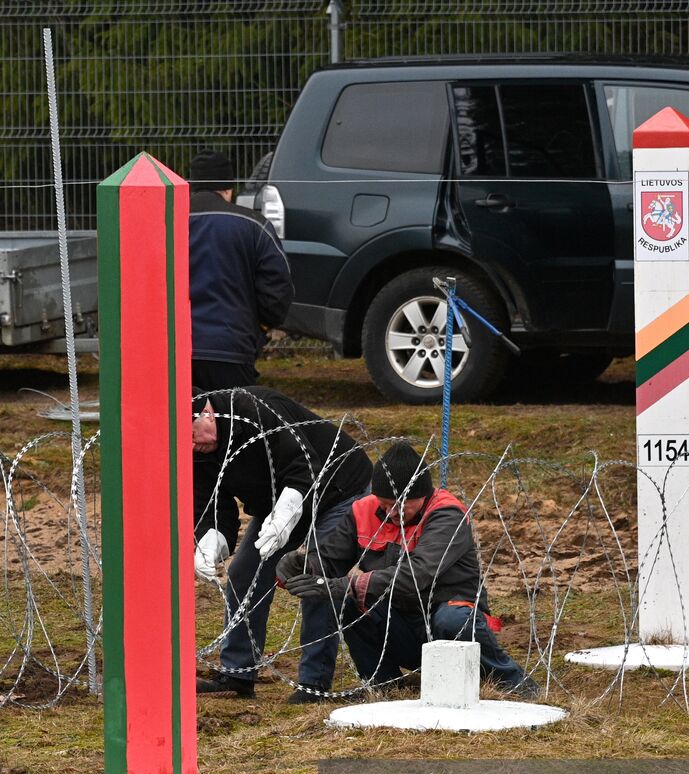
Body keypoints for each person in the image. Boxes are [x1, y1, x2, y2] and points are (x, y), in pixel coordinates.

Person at [278, 441, 537, 698]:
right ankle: (382, 686)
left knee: (451, 619)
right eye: (386, 503)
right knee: (346, 603)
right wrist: (305, 563)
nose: (394, 512)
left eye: (403, 504)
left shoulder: (447, 514)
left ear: (423, 495)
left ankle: (511, 681)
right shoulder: (363, 510)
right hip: (399, 621)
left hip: (449, 619)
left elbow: (417, 574)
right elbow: (333, 558)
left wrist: (348, 585)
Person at [192, 385, 372, 702]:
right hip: (275, 507)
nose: (192, 446)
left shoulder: (257, 409)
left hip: (337, 491)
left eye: (191, 436)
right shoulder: (198, 451)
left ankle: (313, 684)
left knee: (315, 577)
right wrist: (212, 538)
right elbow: (213, 505)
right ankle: (237, 673)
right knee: (244, 575)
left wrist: (288, 510)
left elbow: (303, 465)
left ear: (206, 412)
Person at [187, 150, 294, 392]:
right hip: (232, 348)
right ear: (228, 189)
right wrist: (262, 328)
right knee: (235, 424)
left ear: (190, 186)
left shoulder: (165, 222)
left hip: (175, 353)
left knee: (183, 427)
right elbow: (279, 287)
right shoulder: (254, 225)